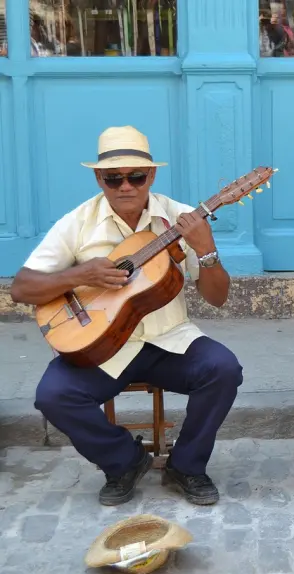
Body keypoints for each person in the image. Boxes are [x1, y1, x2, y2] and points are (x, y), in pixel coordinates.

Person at [9, 126, 244, 505]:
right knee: (52, 395)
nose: (125, 186)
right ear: (98, 178)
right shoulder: (79, 222)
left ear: (151, 175)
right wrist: (81, 274)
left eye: (136, 176)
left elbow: (218, 298)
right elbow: (21, 287)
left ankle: (186, 466)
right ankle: (124, 461)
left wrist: (207, 249)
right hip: (103, 347)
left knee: (224, 369)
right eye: (112, 178)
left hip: (169, 341)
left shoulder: (181, 219)